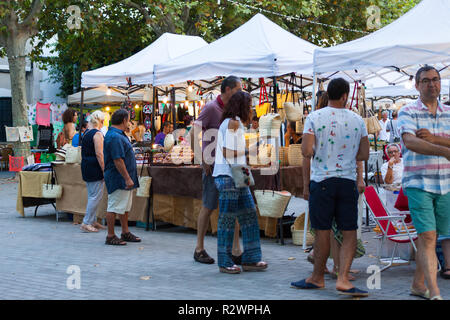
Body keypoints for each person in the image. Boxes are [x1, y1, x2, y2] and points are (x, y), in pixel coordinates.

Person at [291, 78, 370, 297]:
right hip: (346, 181)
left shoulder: (314, 117)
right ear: (345, 95)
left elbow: (306, 151)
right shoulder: (357, 120)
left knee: (322, 231)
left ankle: (317, 278)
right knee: (349, 232)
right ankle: (343, 278)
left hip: (322, 181)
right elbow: (364, 154)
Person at [398, 66, 450, 300]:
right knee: (429, 237)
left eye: (436, 79)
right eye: (426, 80)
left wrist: (434, 140)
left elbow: (426, 142)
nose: (432, 84)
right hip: (418, 182)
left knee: (430, 236)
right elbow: (411, 142)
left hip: (446, 184)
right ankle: (435, 292)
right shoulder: (407, 111)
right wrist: (444, 150)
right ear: (417, 85)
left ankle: (418, 285)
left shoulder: (448, 112)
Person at [190, 75, 243, 265]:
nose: (241, 92)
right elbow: (193, 131)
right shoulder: (212, 107)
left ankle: (236, 249)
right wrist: (201, 158)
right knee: (209, 205)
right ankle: (199, 248)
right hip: (213, 166)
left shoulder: (231, 109)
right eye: (238, 89)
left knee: (231, 207)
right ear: (228, 89)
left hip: (228, 166)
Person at [213, 91, 267, 274]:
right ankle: (225, 261)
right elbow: (228, 153)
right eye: (250, 105)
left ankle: (251, 258)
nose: (251, 109)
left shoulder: (233, 122)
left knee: (249, 214)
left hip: (234, 175)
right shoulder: (232, 123)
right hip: (228, 176)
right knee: (229, 219)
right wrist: (249, 150)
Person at [103, 109, 141, 245]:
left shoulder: (118, 135)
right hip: (118, 178)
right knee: (114, 206)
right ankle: (110, 235)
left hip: (122, 177)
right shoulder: (115, 136)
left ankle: (125, 232)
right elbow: (117, 159)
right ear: (124, 120)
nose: (129, 123)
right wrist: (127, 178)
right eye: (129, 120)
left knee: (123, 207)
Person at [80, 111, 106, 232]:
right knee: (95, 196)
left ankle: (92, 220)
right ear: (100, 121)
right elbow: (99, 154)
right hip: (94, 168)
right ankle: (86, 222)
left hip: (86, 166)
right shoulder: (97, 134)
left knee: (92, 195)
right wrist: (104, 169)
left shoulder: (86, 133)